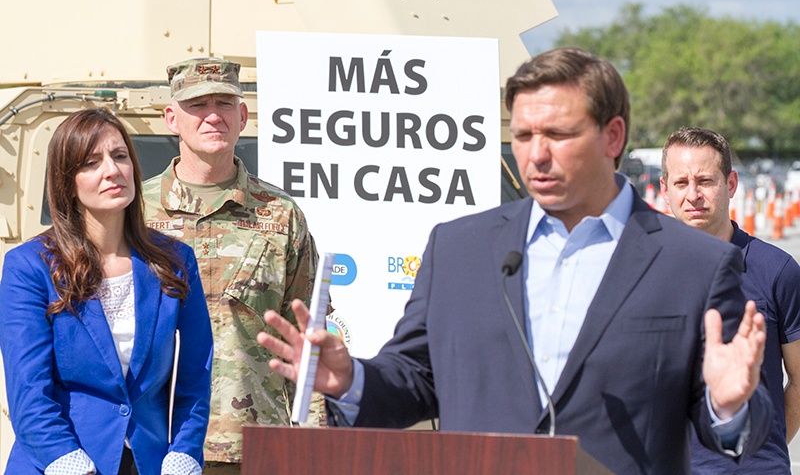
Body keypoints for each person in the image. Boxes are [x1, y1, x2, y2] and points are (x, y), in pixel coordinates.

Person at [257, 47, 775, 475]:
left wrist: (727, 405)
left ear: (612, 136)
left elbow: (733, 435)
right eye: (524, 136)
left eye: (558, 135)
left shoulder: (695, 264)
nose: (536, 155)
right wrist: (352, 380)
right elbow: (415, 378)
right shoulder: (459, 249)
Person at [0, 108, 213, 475]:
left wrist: (185, 452)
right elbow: (28, 394)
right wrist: (68, 462)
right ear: (67, 182)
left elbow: (197, 375)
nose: (112, 171)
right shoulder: (28, 267)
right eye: (91, 163)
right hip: (57, 464)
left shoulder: (176, 261)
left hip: (150, 464)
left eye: (119, 156)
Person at [142, 58, 318, 473]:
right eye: (197, 105)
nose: (213, 115)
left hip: (253, 444)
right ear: (172, 118)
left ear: (243, 116)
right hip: (156, 441)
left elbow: (306, 333)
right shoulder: (136, 212)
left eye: (224, 102)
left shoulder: (280, 215)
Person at [661, 126, 800, 474]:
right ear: (665, 190)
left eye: (705, 181)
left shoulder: (777, 270)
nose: (693, 195)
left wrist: (763, 449)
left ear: (731, 184)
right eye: (681, 183)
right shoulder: (645, 273)